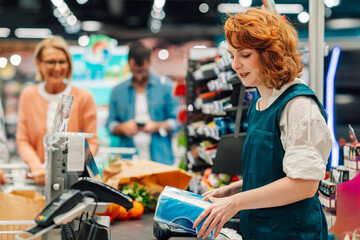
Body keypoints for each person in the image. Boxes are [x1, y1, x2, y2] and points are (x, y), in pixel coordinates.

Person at [193, 8, 332, 240]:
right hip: (259, 231)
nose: (235, 65)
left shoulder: (298, 106)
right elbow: (273, 172)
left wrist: (236, 202)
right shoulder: (260, 103)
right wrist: (234, 190)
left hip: (292, 233)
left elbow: (304, 184)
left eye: (245, 55)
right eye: (232, 55)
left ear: (271, 54)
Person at [16, 36, 99, 185]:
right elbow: (23, 140)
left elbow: (92, 141)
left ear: (69, 64)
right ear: (39, 63)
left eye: (62, 62)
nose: (57, 68)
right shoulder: (28, 95)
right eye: (50, 62)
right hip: (36, 180)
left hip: (72, 182)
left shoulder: (84, 97)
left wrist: (71, 168)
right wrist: (35, 167)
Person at [107, 41, 178, 165]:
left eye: (142, 71)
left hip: (159, 159)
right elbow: (110, 125)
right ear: (129, 64)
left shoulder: (166, 86)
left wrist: (155, 126)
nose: (139, 77)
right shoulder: (118, 91)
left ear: (149, 63)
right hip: (128, 159)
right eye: (135, 71)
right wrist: (122, 128)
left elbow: (176, 122)